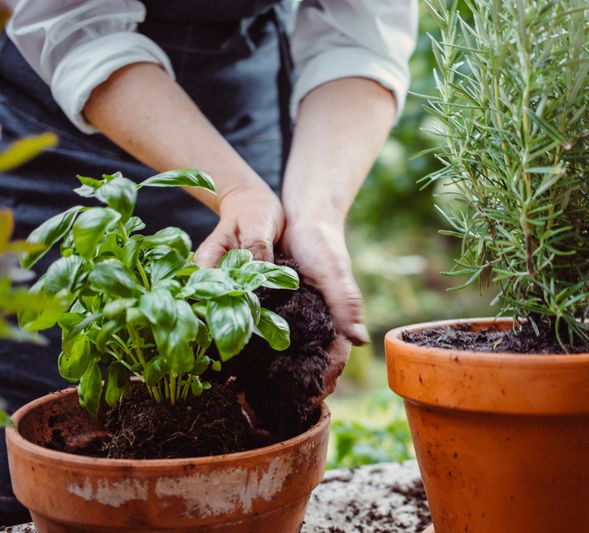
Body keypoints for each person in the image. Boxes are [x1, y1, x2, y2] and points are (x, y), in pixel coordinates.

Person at [0, 0, 417, 524]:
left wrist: (315, 214)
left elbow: (359, 33)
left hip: (240, 97)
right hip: (59, 112)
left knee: (248, 391)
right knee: (35, 437)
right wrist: (235, 188)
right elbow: (67, 17)